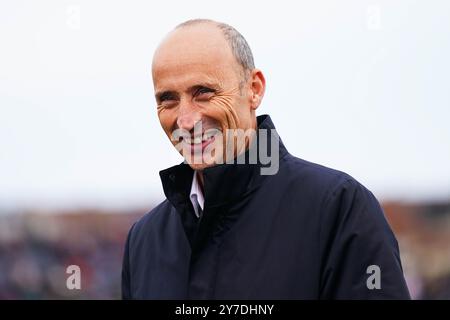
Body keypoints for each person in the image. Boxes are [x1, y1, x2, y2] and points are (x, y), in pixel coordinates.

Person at [121, 19, 411, 299]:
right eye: (168, 99)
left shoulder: (338, 209)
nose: (185, 120)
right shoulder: (144, 241)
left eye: (204, 92)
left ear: (254, 89)